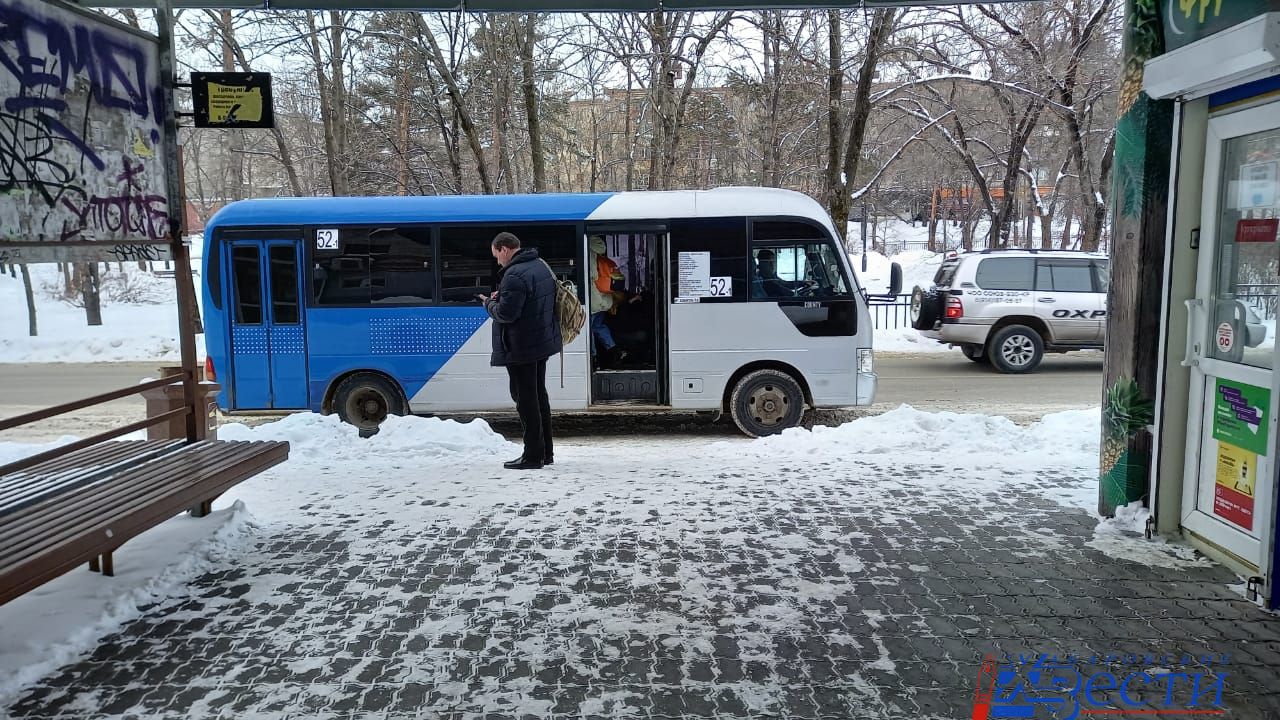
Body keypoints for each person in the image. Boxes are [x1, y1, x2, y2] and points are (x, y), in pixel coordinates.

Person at [480, 232, 561, 470]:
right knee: (539, 397)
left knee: (525, 401)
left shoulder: (514, 275)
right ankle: (546, 452)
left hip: (521, 347)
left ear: (504, 249)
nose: (498, 262)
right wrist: (503, 298)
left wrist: (489, 303)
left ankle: (533, 456)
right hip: (539, 342)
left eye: (497, 256)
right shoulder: (539, 265)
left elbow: (506, 314)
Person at [588, 236, 637, 367]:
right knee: (598, 326)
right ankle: (614, 349)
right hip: (605, 299)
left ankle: (592, 358)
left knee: (588, 329)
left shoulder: (587, 252)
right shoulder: (599, 256)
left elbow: (591, 278)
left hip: (593, 301)